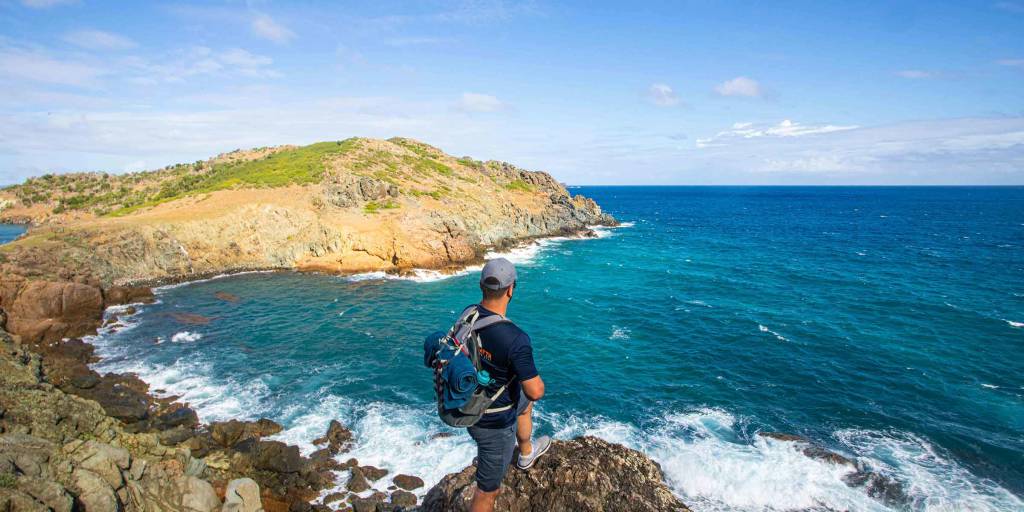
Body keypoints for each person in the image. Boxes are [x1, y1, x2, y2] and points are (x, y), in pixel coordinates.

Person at [467, 257, 551, 512]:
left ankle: (526, 453)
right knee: (486, 493)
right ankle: (505, 457)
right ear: (511, 289)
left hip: (468, 403)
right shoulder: (515, 339)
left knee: (523, 405)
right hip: (493, 423)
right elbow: (535, 391)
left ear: (481, 285)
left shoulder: (468, 315)